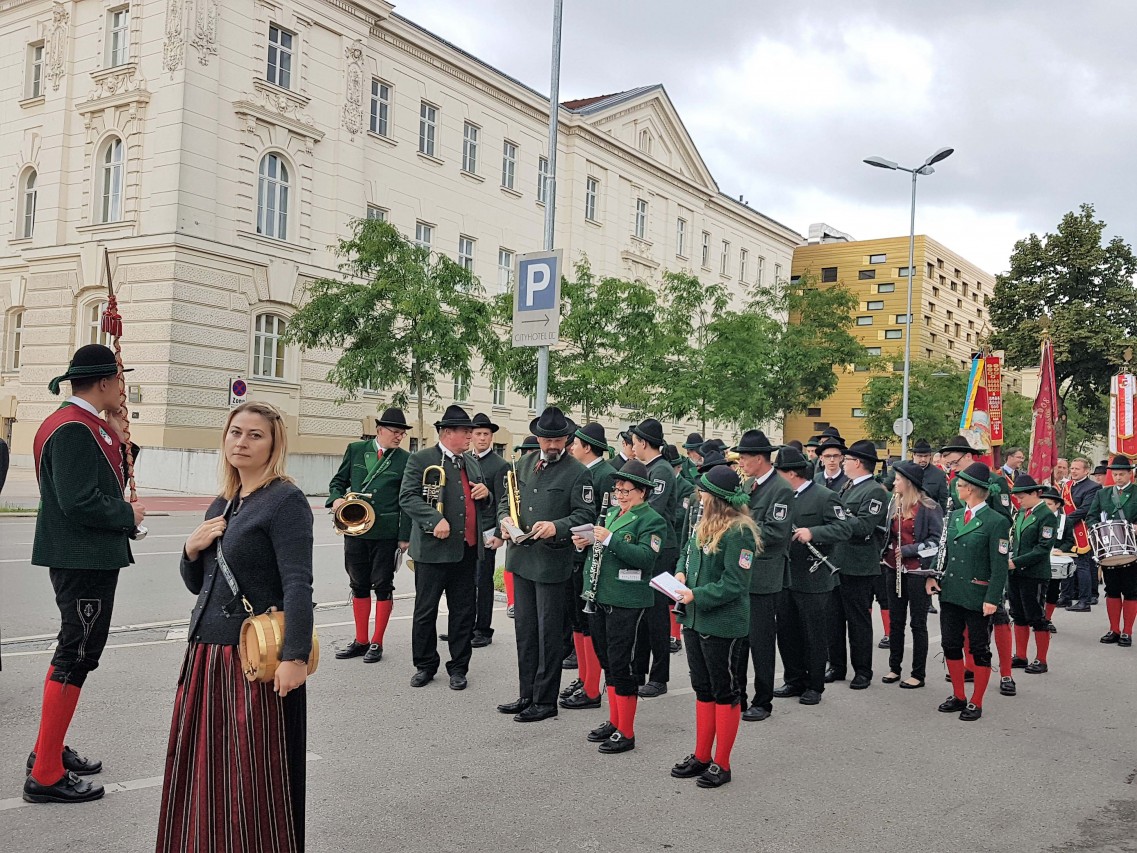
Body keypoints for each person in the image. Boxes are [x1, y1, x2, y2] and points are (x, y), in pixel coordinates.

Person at [156, 401, 313, 851]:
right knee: (204, 772)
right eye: (235, 432)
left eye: (254, 435)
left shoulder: (285, 500)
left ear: (274, 444)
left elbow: (298, 583)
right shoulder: (224, 501)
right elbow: (201, 585)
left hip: (252, 659)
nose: (241, 442)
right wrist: (190, 549)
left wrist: (295, 657)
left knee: (252, 776)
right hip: (206, 657)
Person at [23, 344, 147, 805]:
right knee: (76, 655)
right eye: (120, 380)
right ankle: (46, 773)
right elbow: (79, 501)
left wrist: (118, 434)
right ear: (104, 382)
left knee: (75, 652)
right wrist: (127, 516)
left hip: (84, 557)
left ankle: (47, 749)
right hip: (83, 558)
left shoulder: (81, 423)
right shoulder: (74, 428)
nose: (124, 390)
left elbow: (105, 476)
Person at [495, 407, 593, 722]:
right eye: (547, 440)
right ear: (538, 438)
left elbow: (585, 515)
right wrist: (504, 520)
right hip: (521, 558)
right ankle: (527, 694)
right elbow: (505, 501)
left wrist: (556, 527)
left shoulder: (578, 472)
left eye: (558, 440)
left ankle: (546, 700)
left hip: (552, 561)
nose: (552, 445)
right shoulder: (521, 464)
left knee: (548, 635)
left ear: (567, 439)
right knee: (525, 631)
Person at [671, 465, 759, 789]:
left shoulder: (740, 532)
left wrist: (697, 594)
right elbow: (686, 553)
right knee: (703, 688)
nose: (699, 496)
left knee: (726, 692)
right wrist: (680, 573)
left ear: (716, 498)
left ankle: (722, 763)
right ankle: (701, 755)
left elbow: (735, 583)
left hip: (723, 624)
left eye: (703, 492)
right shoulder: (702, 523)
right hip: (695, 619)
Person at [572, 460, 668, 753]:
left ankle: (626, 730)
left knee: (623, 664)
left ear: (642, 492)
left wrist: (610, 539)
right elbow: (599, 552)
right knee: (608, 662)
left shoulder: (652, 520)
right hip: (601, 596)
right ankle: (614, 720)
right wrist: (584, 543)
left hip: (627, 599)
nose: (620, 495)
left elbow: (645, 558)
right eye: (618, 490)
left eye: (626, 491)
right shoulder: (612, 513)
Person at [399, 405, 495, 691]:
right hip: (432, 550)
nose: (470, 436)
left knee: (463, 612)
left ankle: (459, 667)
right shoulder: (421, 459)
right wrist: (434, 519)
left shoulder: (471, 462)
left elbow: (480, 501)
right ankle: (425, 664)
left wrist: (486, 495)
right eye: (465, 432)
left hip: (466, 549)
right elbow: (408, 497)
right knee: (425, 611)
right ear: (446, 433)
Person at [927, 462, 1011, 722]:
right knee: (950, 644)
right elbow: (943, 549)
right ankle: (959, 695)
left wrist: (993, 598)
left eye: (960, 485)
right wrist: (932, 574)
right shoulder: (953, 516)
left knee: (978, 648)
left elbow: (999, 566)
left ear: (971, 490)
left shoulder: (996, 521)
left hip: (977, 594)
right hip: (951, 591)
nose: (956, 489)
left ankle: (976, 701)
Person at [328, 408, 411, 664]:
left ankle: (377, 641)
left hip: (385, 533)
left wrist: (404, 536)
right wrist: (336, 499)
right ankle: (361, 640)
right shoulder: (355, 450)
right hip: (354, 529)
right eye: (395, 432)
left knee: (383, 585)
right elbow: (337, 482)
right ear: (379, 430)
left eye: (402, 433)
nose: (399, 437)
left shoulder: (405, 459)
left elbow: (407, 500)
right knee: (358, 584)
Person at [772, 446, 850, 706]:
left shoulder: (824, 496)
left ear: (791, 473)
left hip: (813, 577)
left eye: (779, 472)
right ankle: (794, 679)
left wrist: (813, 533)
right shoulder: (780, 496)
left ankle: (814, 685)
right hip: (785, 575)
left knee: (813, 634)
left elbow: (843, 529)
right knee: (787, 632)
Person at [731, 430, 792, 722]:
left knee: (762, 642)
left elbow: (776, 532)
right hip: (742, 572)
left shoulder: (780, 488)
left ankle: (763, 700)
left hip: (764, 575)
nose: (740, 462)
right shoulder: (747, 484)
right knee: (740, 639)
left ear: (759, 459)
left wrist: (738, 530)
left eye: (744, 457)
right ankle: (739, 695)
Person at [560, 422, 617, 710]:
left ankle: (592, 687)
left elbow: (608, 517)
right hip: (576, 554)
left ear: (587, 447)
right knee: (577, 621)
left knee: (588, 622)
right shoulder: (582, 471)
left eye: (575, 443)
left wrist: (591, 537)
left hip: (592, 556)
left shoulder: (605, 475)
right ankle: (584, 678)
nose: (571, 448)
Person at [825, 440, 889, 690]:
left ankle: (863, 670)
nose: (843, 463)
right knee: (834, 619)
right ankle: (837, 665)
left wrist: (838, 518)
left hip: (858, 564)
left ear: (858, 463)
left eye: (848, 459)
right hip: (837, 562)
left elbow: (864, 526)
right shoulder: (848, 486)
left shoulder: (874, 491)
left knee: (858, 621)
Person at [880, 460, 943, 688]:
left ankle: (918, 673)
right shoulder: (893, 504)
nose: (894, 483)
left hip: (917, 570)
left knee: (918, 623)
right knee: (896, 622)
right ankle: (894, 668)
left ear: (908, 482)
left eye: (898, 479)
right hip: (893, 569)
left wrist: (909, 550)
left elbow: (937, 542)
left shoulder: (929, 507)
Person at [630, 418, 679, 698]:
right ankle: (638, 671)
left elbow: (652, 509)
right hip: (646, 545)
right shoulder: (647, 468)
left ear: (644, 443)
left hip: (661, 549)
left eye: (635, 442)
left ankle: (659, 677)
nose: (632, 447)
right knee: (642, 612)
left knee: (657, 615)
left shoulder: (661, 471)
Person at [1006, 475, 1057, 673]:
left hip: (1034, 573)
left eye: (1022, 497)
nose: (1019, 501)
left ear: (1036, 493)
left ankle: (1041, 660)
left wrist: (1016, 562)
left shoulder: (1046, 516)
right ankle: (1020, 655)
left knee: (1036, 616)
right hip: (1016, 571)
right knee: (1018, 614)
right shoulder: (1021, 513)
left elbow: (1043, 548)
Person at [1086, 455, 1137, 646]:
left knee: (1131, 591)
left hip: (1133, 548)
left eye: (1121, 474)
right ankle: (1114, 629)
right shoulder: (1103, 494)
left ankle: (1127, 632)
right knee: (1112, 589)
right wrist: (1097, 529)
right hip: (1109, 549)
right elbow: (1091, 517)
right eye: (1115, 475)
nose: (1118, 478)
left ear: (1130, 474)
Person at [469, 413, 510, 648]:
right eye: (478, 434)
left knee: (483, 582)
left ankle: (483, 629)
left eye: (486, 434)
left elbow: (503, 502)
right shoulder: (464, 459)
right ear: (472, 436)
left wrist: (498, 534)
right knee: (465, 582)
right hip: (466, 531)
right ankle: (465, 627)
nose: (482, 438)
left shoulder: (499, 465)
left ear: (491, 437)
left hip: (486, 530)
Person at [665, 443, 697, 653]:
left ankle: (675, 635)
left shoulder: (685, 486)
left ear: (677, 467)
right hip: (665, 541)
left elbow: (680, 514)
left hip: (677, 541)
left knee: (674, 590)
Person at [939, 436, 1013, 521]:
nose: (952, 468)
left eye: (955, 462)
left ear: (968, 456)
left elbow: (1004, 518)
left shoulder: (994, 480)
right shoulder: (954, 482)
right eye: (949, 464)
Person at [1062, 458, 1101, 612]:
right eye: (1072, 468)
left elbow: (1085, 509)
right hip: (1066, 530)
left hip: (1081, 530)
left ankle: (1085, 600)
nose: (1073, 471)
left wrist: (1065, 521)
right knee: (1066, 562)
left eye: (1077, 469)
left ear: (1086, 471)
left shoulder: (1093, 487)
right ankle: (1066, 596)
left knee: (1082, 565)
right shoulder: (1067, 486)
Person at [1041, 487, 1073, 632]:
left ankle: (1048, 618)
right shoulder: (1037, 518)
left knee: (1053, 590)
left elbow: (1069, 541)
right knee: (1037, 590)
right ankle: (1036, 616)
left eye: (1049, 504)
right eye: (1043, 504)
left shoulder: (1065, 521)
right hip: (1039, 559)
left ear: (1057, 505)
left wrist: (1061, 549)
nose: (1045, 507)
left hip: (1055, 560)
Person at [911, 438, 949, 511]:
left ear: (930, 456)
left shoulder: (939, 475)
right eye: (920, 456)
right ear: (913, 455)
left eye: (926, 456)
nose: (923, 459)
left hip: (930, 514)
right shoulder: (903, 470)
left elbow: (943, 501)